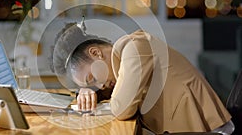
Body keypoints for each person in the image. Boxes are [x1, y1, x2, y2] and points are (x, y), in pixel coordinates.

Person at [50, 22, 234, 134]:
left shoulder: (135, 47)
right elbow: (112, 96)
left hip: (209, 131)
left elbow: (122, 109)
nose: (100, 85)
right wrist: (87, 91)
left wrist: (91, 89)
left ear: (96, 52)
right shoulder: (120, 65)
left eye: (92, 78)